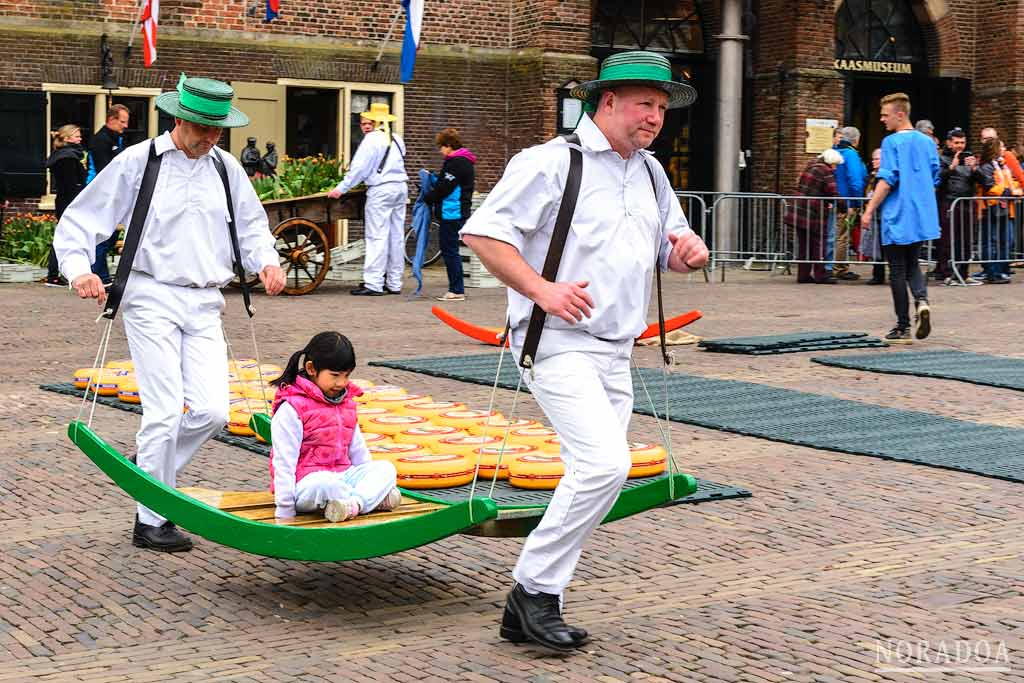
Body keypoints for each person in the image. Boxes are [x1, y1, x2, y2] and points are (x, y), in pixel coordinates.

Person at [461, 50, 708, 652]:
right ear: (608, 101)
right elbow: (483, 233)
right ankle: (532, 591)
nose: (656, 117)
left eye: (662, 107)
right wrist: (541, 289)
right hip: (556, 342)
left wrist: (685, 253)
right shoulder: (549, 162)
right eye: (646, 104)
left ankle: (535, 602)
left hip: (617, 348)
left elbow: (666, 245)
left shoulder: (651, 173)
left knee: (593, 474)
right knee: (605, 465)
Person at [54, 74, 287, 552]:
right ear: (179, 118)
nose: (211, 137)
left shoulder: (225, 168)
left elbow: (251, 223)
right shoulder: (140, 161)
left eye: (218, 129)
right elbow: (83, 216)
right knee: (162, 412)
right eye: (203, 127)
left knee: (212, 410)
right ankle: (151, 518)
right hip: (149, 295)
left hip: (205, 300)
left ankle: (148, 468)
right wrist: (79, 268)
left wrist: (267, 260)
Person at [269, 331, 401, 522]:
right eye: (335, 375)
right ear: (311, 368)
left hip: (343, 477)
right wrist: (285, 511)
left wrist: (369, 478)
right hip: (307, 485)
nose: (342, 383)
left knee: (386, 468)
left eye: (347, 375)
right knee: (327, 484)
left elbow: (359, 453)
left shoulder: (347, 403)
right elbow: (284, 463)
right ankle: (370, 500)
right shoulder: (292, 408)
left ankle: (354, 504)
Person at [861, 92, 940, 345]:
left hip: (897, 213)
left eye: (885, 115)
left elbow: (887, 179)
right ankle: (922, 301)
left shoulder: (891, 142)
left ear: (900, 114)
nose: (882, 120)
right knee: (913, 263)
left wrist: (869, 209)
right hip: (921, 213)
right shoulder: (927, 142)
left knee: (896, 269)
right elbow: (935, 174)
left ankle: (902, 326)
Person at [328, 103, 408, 296]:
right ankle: (394, 282)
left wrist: (341, 188)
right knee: (396, 236)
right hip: (400, 188)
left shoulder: (372, 140)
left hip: (381, 190)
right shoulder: (397, 139)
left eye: (368, 122)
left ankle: (373, 284)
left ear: (377, 121)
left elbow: (359, 168)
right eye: (363, 123)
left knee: (376, 236)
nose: (365, 126)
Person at [421, 127, 476, 302]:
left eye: (441, 147)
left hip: (452, 212)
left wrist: (428, 197)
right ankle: (456, 288)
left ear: (449, 145)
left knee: (450, 250)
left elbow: (446, 187)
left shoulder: (457, 162)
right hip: (453, 211)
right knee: (451, 250)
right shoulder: (460, 161)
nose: (440, 151)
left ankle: (457, 290)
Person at [88, 104, 131, 285]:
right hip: (102, 194)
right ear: (111, 119)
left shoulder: (116, 139)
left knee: (111, 236)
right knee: (103, 236)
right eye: (122, 122)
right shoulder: (101, 141)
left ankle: (101, 275)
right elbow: (105, 171)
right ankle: (100, 277)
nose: (126, 126)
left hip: (112, 193)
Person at [785, 149, 842, 284]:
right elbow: (833, 192)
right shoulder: (825, 171)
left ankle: (803, 275)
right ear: (831, 162)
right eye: (835, 165)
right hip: (814, 213)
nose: (836, 168)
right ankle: (820, 275)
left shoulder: (811, 165)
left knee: (804, 245)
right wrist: (843, 206)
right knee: (818, 244)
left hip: (799, 211)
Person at [44, 124, 86, 286]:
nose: (80, 138)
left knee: (65, 235)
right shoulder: (67, 158)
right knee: (65, 236)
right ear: (67, 138)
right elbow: (71, 184)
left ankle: (55, 273)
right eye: (76, 136)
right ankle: (53, 275)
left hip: (65, 200)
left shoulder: (66, 155)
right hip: (70, 201)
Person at [972, 137, 1018, 284]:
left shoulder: (1001, 166)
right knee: (991, 240)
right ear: (995, 150)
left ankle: (1000, 270)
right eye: (1002, 147)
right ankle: (992, 272)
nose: (1004, 150)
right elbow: (990, 186)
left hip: (1001, 207)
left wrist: (1012, 190)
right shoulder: (986, 167)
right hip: (991, 207)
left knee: (1003, 240)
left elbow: (1009, 182)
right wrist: (1008, 192)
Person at [937, 127, 977, 284]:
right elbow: (937, 179)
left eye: (962, 142)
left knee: (966, 240)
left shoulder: (969, 158)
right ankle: (946, 273)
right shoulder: (942, 159)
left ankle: (964, 273)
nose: (960, 146)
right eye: (956, 142)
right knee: (947, 239)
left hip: (967, 203)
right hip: (949, 202)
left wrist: (975, 169)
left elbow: (983, 181)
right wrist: (951, 168)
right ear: (949, 143)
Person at [832, 126, 867, 280]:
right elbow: (856, 181)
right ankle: (840, 268)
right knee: (843, 236)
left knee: (834, 235)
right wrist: (857, 203)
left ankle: (831, 266)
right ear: (856, 139)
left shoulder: (834, 152)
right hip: (847, 202)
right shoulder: (851, 154)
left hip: (833, 200)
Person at [861, 148, 887, 285]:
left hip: (885, 215)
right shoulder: (870, 177)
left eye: (877, 159)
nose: (874, 161)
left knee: (887, 246)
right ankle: (877, 274)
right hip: (874, 215)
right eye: (873, 159)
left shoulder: (885, 177)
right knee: (876, 246)